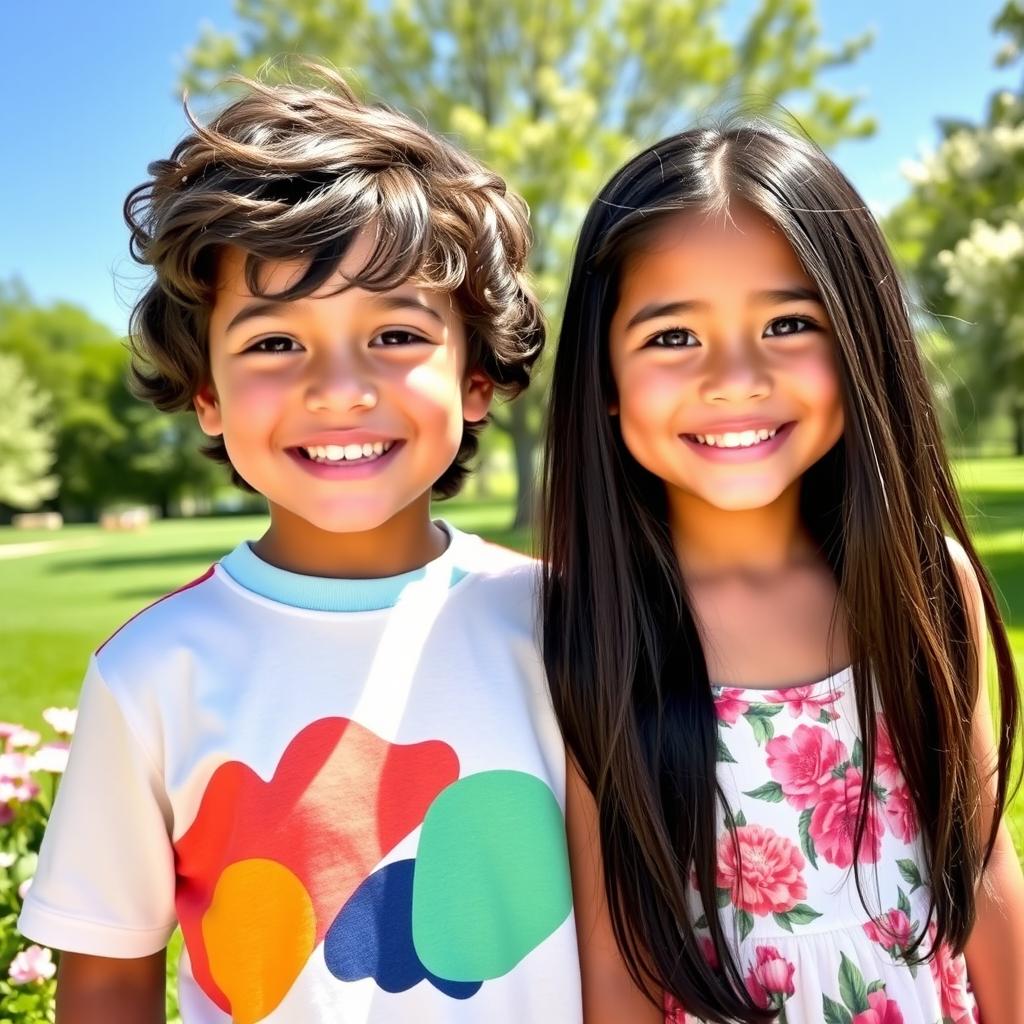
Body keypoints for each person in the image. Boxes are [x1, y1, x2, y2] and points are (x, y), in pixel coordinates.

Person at [19, 68, 581, 1024]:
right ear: (206, 392)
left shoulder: (566, 622)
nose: (339, 388)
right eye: (276, 344)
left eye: (397, 333)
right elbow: (109, 976)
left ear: (478, 374)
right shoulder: (152, 671)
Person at [541, 119, 1024, 1024]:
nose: (735, 376)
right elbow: (616, 960)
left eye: (789, 323)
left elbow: (988, 876)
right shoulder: (592, 630)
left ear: (861, 343)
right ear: (603, 378)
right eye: (673, 336)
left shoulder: (926, 588)